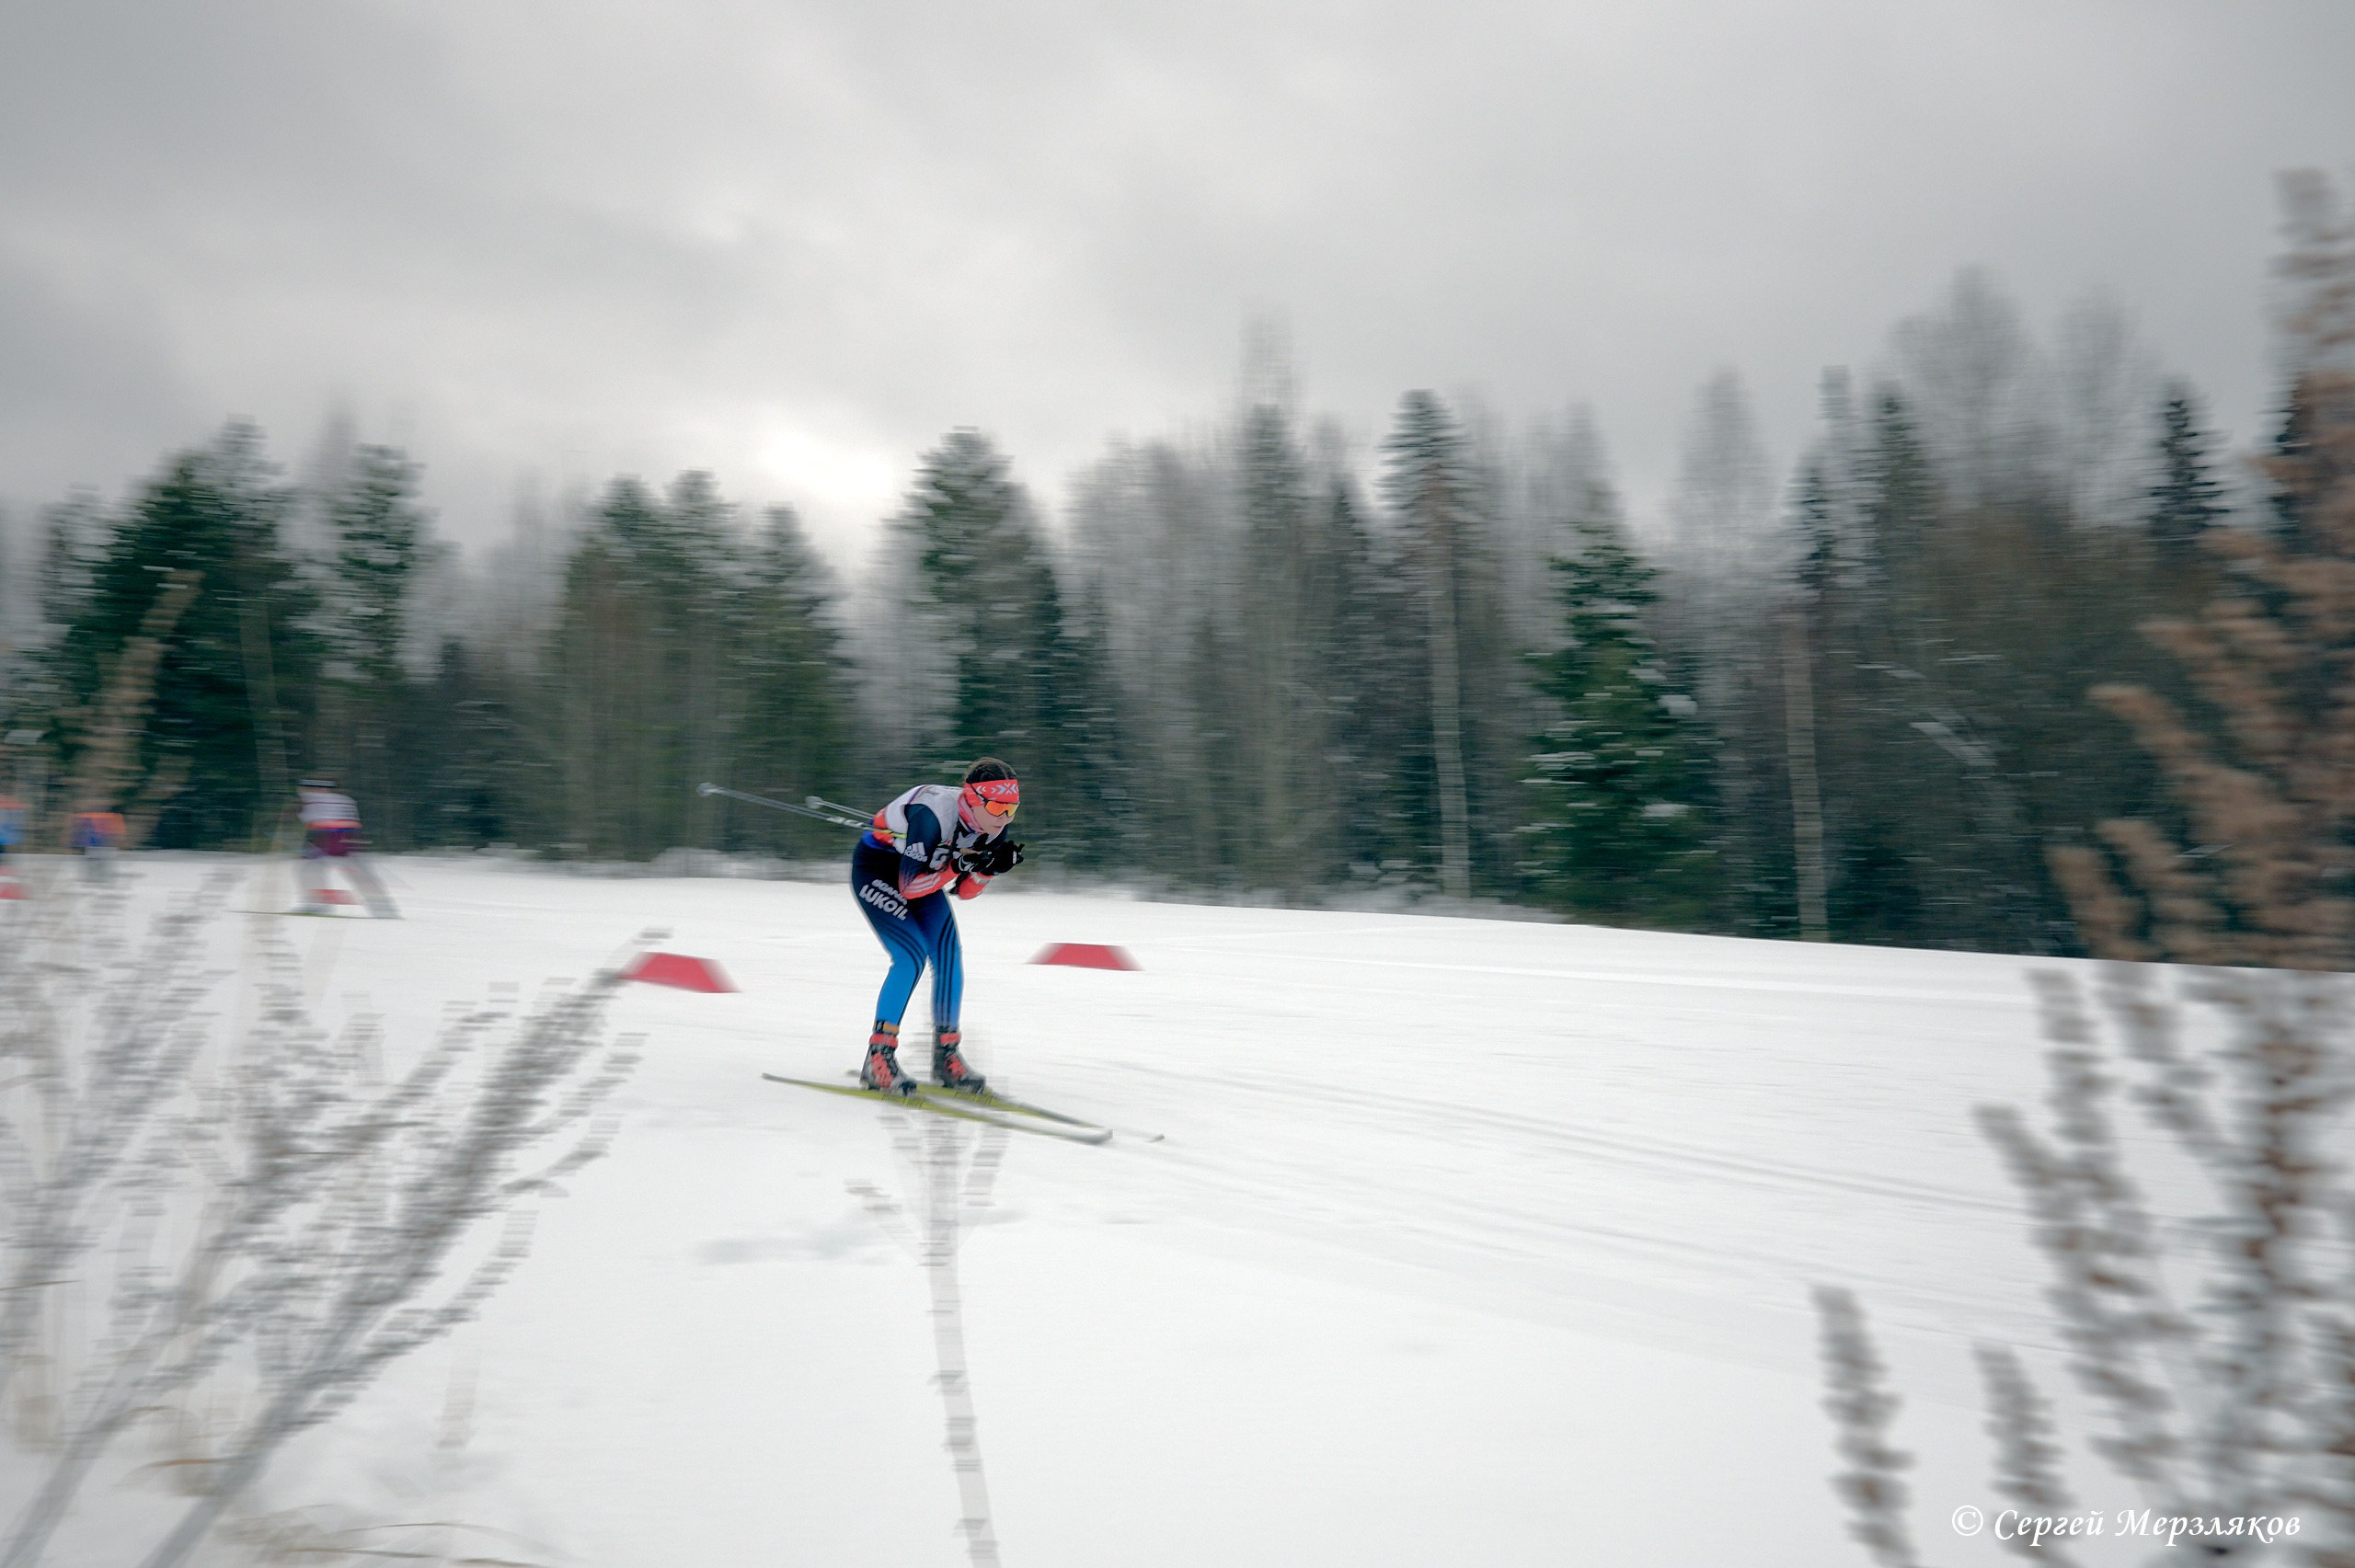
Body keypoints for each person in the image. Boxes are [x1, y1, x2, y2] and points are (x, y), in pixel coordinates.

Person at [852, 758, 1026, 1096]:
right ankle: (878, 1057)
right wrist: (955, 866)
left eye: (1012, 808)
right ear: (973, 800)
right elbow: (907, 887)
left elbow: (964, 892)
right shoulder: (933, 817)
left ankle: (946, 1056)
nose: (1004, 817)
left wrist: (987, 871)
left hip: (925, 877)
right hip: (880, 871)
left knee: (948, 954)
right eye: (997, 807)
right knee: (911, 956)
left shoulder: (992, 825)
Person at [296, 777, 397, 918]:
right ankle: (383, 908)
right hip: (352, 838)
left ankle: (317, 904)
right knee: (361, 875)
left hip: (326, 837)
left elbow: (308, 819)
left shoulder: (311, 798)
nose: (304, 791)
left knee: (309, 871)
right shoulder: (346, 800)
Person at [69, 807, 125, 882]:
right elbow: (116, 831)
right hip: (102, 843)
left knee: (92, 862)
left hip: (93, 843)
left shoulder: (85, 817)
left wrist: (77, 841)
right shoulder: (113, 817)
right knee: (103, 863)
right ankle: (102, 878)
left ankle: (92, 878)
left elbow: (80, 831)